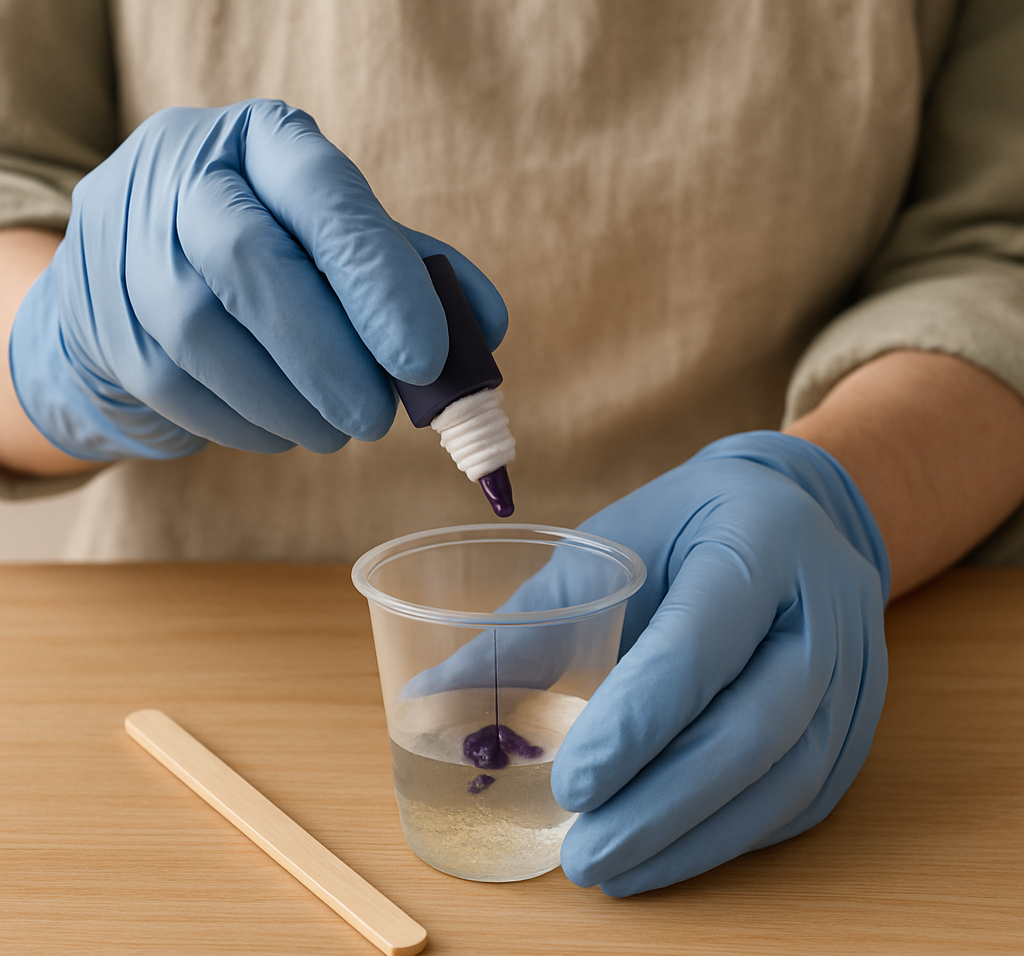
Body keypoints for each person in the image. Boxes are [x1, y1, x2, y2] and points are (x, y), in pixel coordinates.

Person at [3, 0, 1024, 896]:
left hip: (756, 637)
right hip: (189, 671)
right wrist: (65, 343)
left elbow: (995, 248)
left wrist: (840, 490)